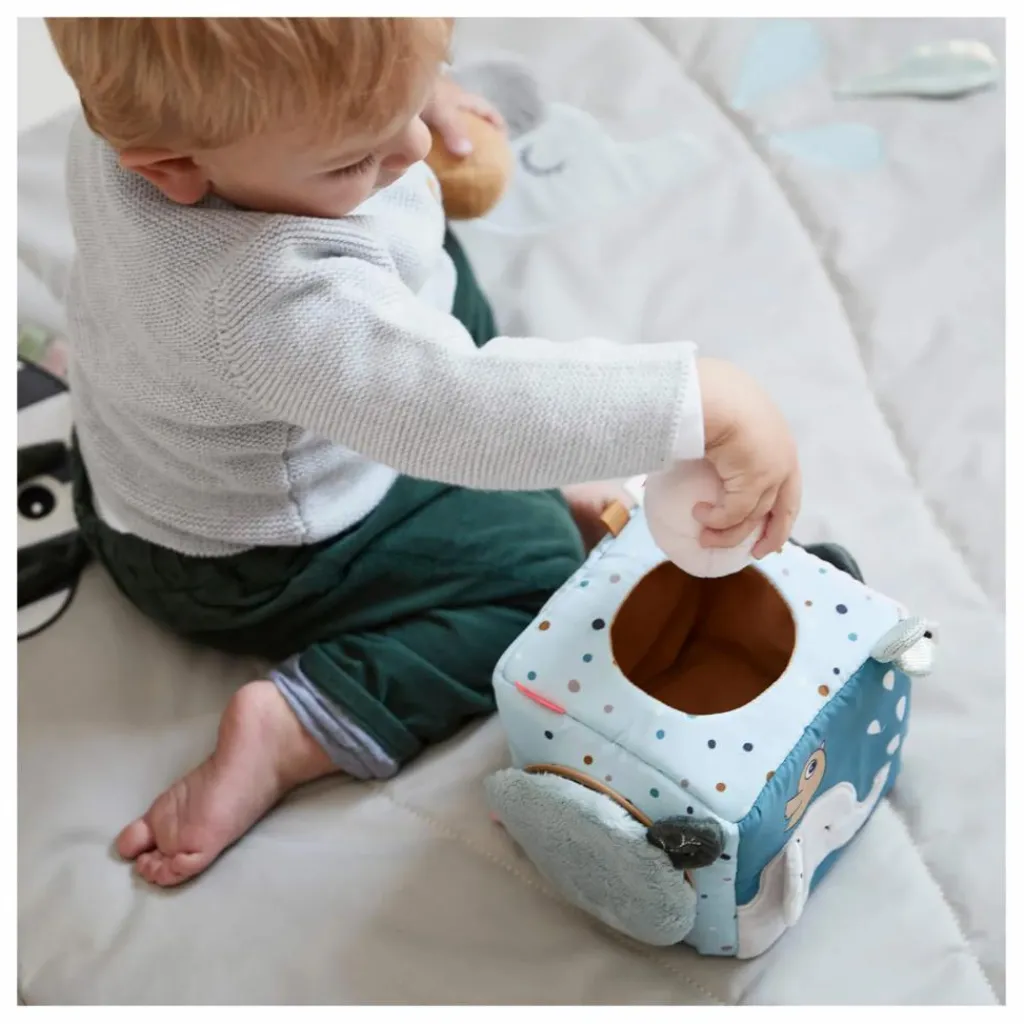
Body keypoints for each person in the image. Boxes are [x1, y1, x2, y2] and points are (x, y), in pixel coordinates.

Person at [46, 17, 801, 887]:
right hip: (254, 556)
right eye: (353, 157)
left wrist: (388, 93)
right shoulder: (275, 299)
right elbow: (464, 414)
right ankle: (298, 727)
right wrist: (697, 402)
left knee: (434, 292)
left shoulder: (150, 119)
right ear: (172, 168)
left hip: (154, 453)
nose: (414, 149)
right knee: (535, 571)